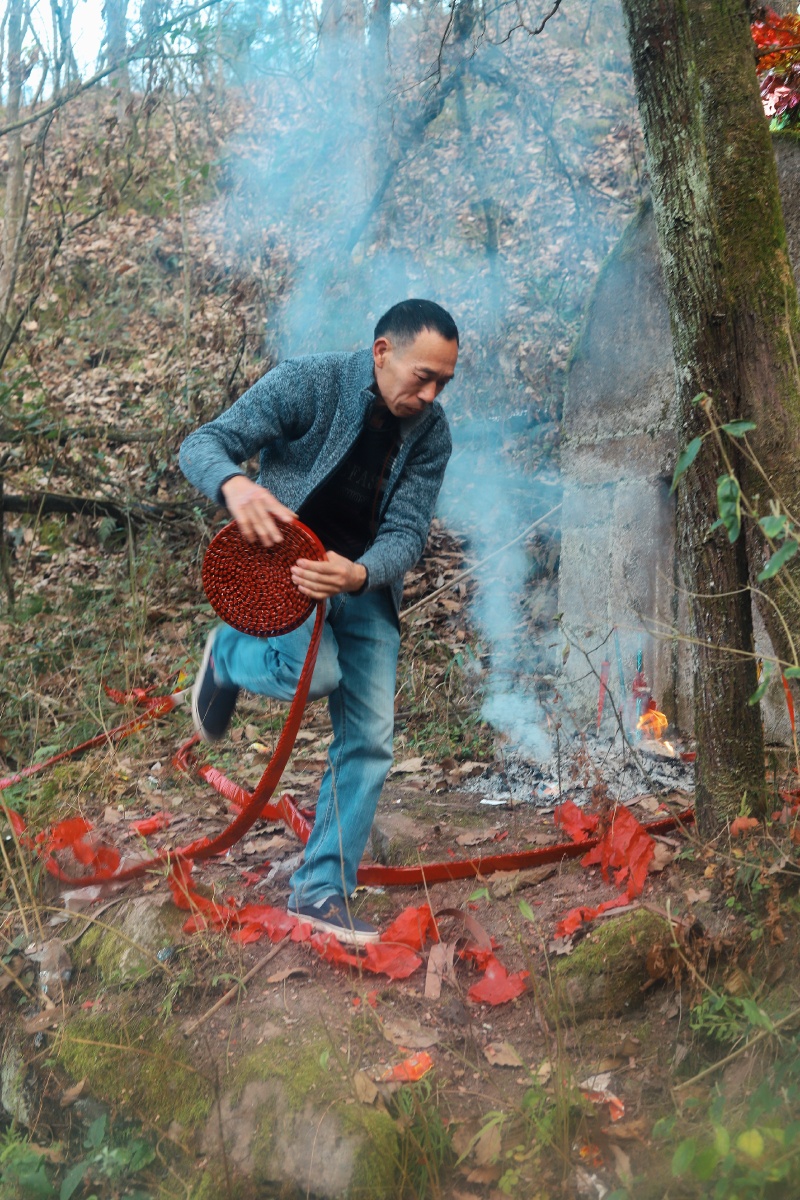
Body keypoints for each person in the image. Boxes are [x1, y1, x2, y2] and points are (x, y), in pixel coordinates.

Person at [179, 299, 459, 946]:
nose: (431, 393)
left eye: (443, 381)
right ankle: (227, 655)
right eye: (422, 376)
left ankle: (320, 890)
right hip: (284, 573)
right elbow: (204, 443)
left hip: (358, 584)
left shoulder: (432, 432)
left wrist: (360, 575)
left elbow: (408, 531)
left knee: (371, 741)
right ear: (382, 352)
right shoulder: (310, 382)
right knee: (316, 672)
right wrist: (235, 487)